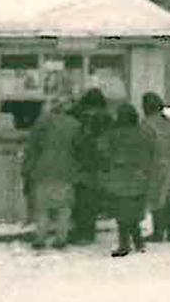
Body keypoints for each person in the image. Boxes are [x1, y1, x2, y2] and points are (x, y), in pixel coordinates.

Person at [23, 99, 81, 248]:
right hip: (67, 169)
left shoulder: (41, 123)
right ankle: (61, 238)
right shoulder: (74, 124)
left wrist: (27, 169)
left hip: (43, 169)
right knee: (64, 207)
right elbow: (79, 148)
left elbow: (32, 148)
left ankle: (40, 238)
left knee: (42, 207)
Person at [104, 102, 158, 257]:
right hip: (139, 177)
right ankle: (139, 242)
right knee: (133, 212)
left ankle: (124, 245)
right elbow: (152, 151)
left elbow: (105, 151)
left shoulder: (114, 134)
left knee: (122, 214)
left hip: (119, 177)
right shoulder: (144, 132)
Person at [68, 87, 109, 244]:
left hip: (81, 163)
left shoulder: (80, 116)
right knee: (91, 201)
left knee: (81, 199)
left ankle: (82, 233)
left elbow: (76, 139)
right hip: (98, 165)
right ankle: (88, 232)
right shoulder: (106, 117)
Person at [142, 92, 170, 243]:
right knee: (167, 198)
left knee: (157, 198)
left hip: (157, 164)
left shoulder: (147, 124)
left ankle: (158, 232)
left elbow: (145, 147)